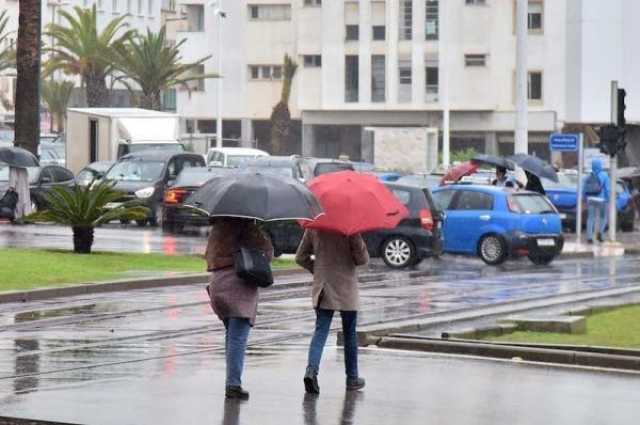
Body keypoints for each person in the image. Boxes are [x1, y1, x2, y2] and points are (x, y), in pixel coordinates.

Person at [204, 217, 274, 400]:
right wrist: (261, 233)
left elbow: (209, 256)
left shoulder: (218, 228)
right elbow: (267, 253)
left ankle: (232, 381)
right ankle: (233, 384)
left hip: (217, 285)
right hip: (238, 287)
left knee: (231, 336)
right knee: (237, 338)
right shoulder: (248, 227)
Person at [295, 229, 369, 394]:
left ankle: (311, 370)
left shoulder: (315, 227)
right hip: (346, 288)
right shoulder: (350, 228)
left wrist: (318, 270)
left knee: (320, 331)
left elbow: (300, 257)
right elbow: (362, 259)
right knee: (349, 333)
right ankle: (352, 378)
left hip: (324, 287)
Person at [584, 158, 610, 243]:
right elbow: (607, 189)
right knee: (603, 217)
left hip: (591, 199)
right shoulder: (604, 175)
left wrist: (584, 198)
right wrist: (608, 199)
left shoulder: (588, 175)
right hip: (602, 199)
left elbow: (584, 189)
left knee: (591, 218)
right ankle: (600, 234)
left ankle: (589, 237)